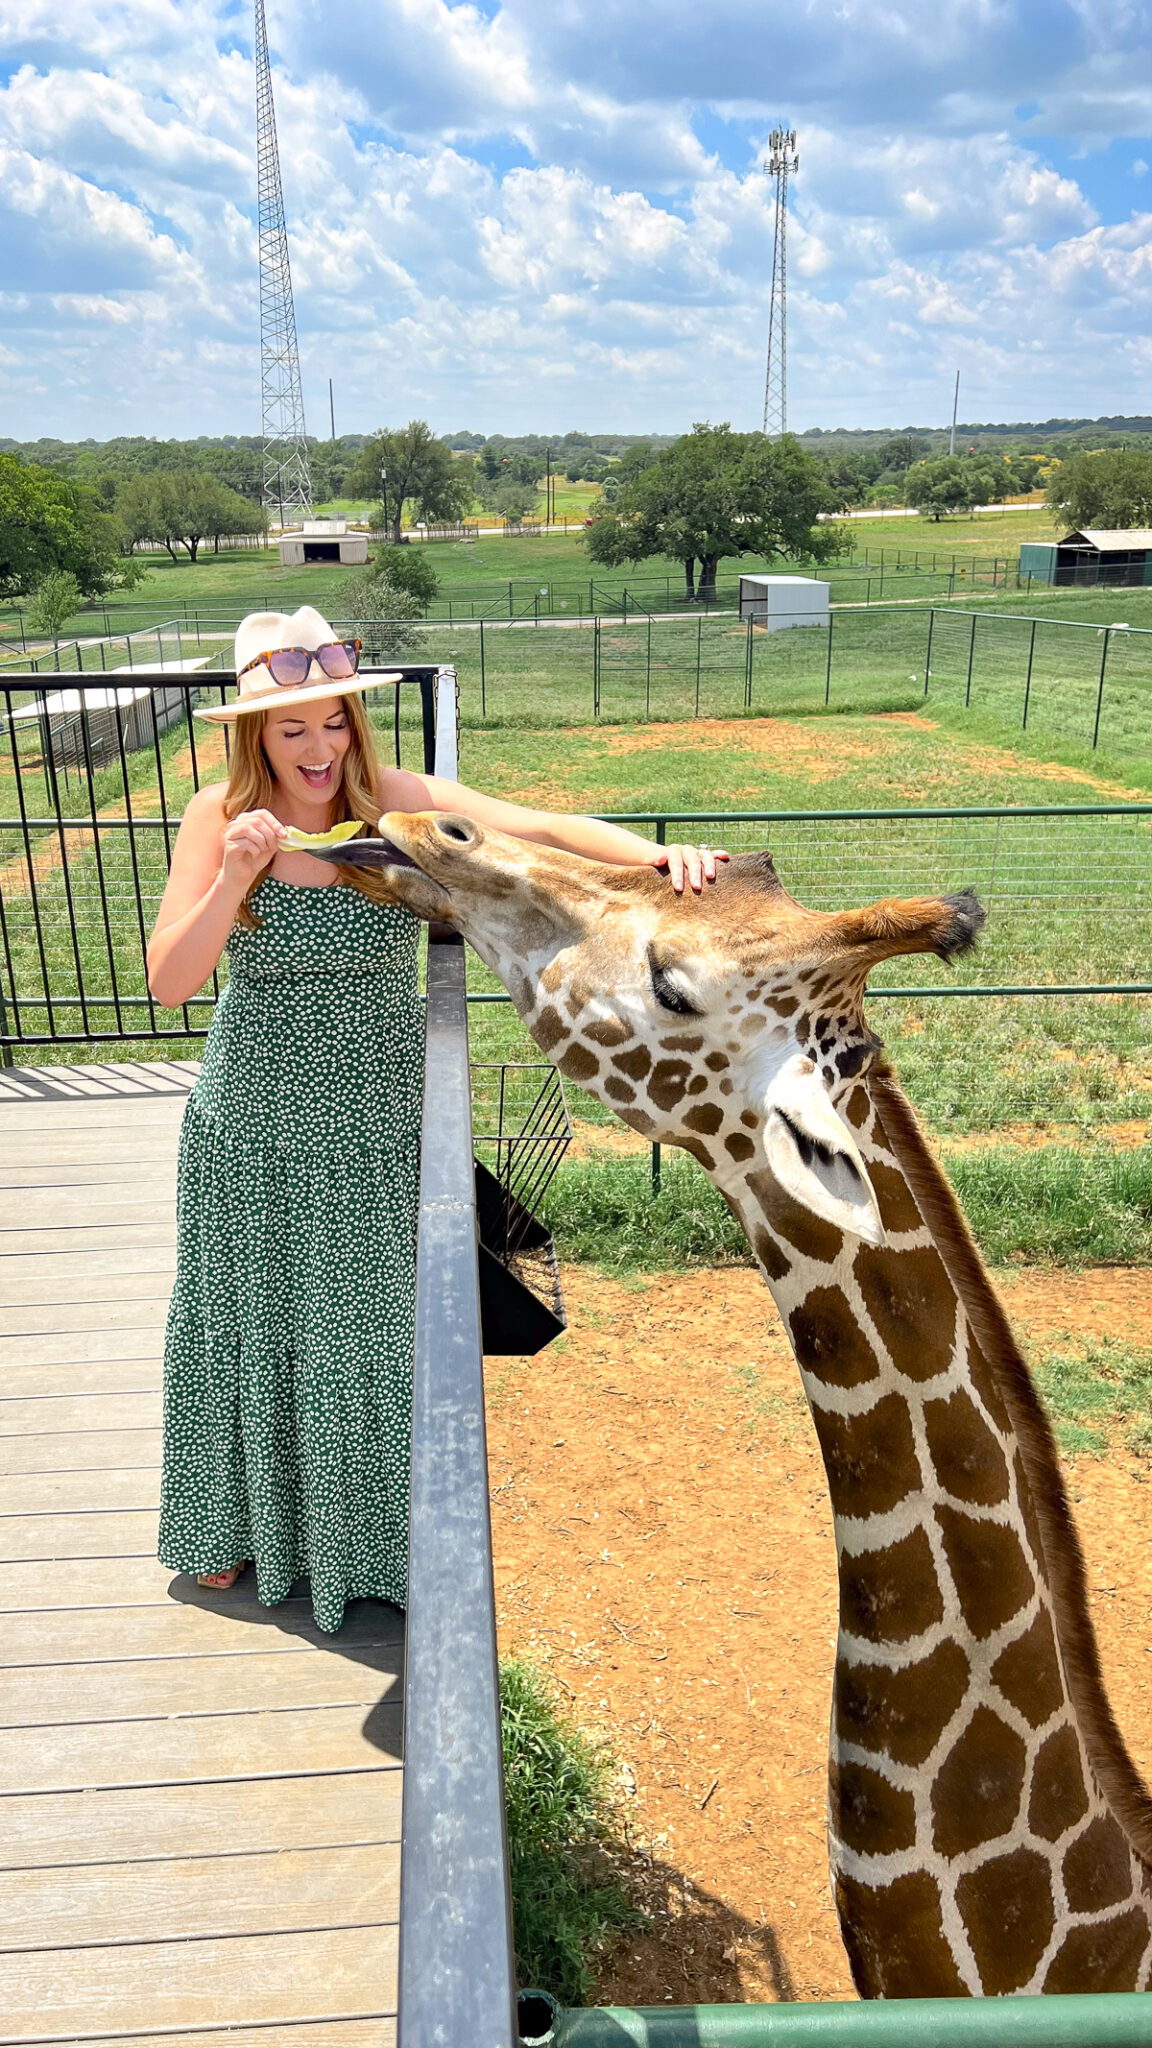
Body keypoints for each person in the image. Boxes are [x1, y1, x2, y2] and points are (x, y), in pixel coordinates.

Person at [148, 605, 726, 1634]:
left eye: (333, 722)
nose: (319, 748)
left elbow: (538, 828)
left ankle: (374, 1546)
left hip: (377, 1109)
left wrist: (657, 852)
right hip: (254, 1119)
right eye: (293, 729)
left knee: (368, 1334)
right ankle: (237, 1525)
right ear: (255, 732)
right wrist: (234, 872)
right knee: (253, 1321)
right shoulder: (216, 817)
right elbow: (169, 985)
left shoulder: (395, 802)